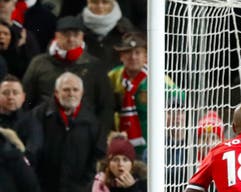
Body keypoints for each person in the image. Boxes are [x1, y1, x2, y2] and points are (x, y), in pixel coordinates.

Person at [22, 15, 114, 144]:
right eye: (65, 34)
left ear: (82, 37)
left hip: (84, 134)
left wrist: (100, 136)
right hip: (45, 132)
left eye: (76, 34)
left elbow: (106, 105)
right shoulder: (39, 63)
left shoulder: (94, 65)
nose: (71, 39)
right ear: (57, 36)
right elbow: (26, 100)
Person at [80, 0, 138, 70]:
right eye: (94, 2)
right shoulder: (76, 27)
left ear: (113, 3)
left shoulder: (126, 29)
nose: (100, 6)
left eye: (105, 2)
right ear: (88, 2)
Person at [0, 74, 43, 166]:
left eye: (15, 93)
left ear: (23, 97)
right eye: (5, 93)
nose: (10, 97)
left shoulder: (32, 123)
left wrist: (15, 141)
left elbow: (32, 157)